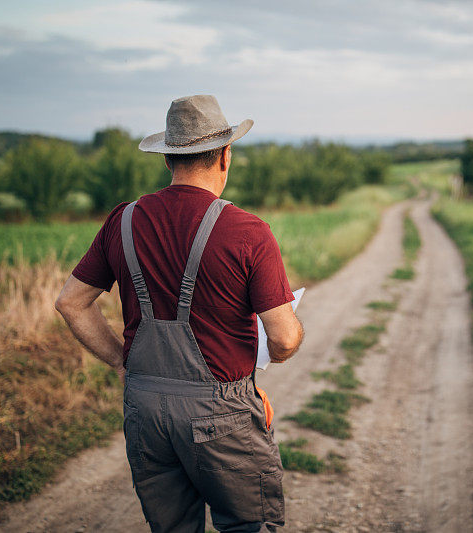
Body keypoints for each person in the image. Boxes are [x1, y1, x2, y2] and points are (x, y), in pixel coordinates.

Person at [55, 95, 304, 532]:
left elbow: (71, 302)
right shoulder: (247, 231)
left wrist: (122, 362)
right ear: (226, 155)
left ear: (168, 159)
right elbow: (282, 338)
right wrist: (269, 361)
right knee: (250, 525)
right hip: (222, 415)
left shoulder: (124, 220)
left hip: (144, 408)